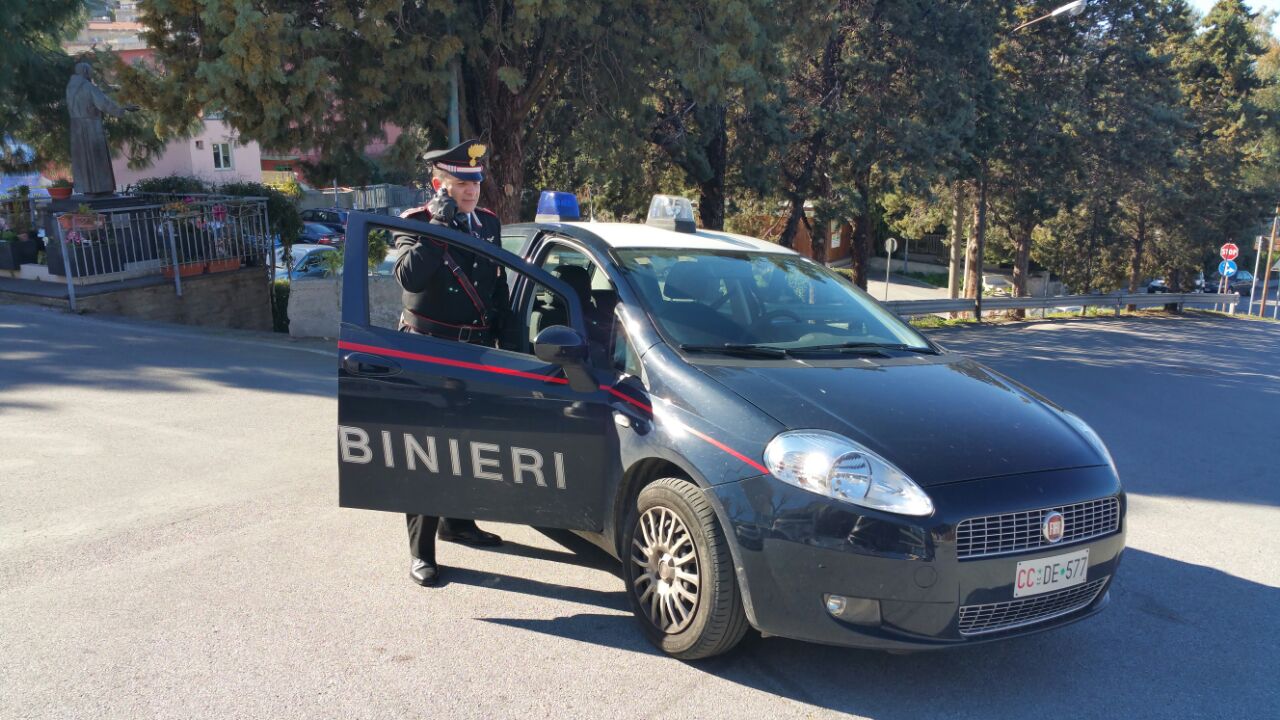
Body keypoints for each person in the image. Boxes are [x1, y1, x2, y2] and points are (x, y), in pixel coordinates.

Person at [394, 139, 507, 587]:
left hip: (474, 350)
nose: (471, 191)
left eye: (475, 182)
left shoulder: (490, 224)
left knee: (467, 444)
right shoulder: (417, 222)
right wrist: (439, 227)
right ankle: (421, 551)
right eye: (462, 183)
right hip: (428, 349)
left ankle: (458, 522)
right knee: (427, 455)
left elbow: (496, 287)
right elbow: (408, 277)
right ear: (439, 184)